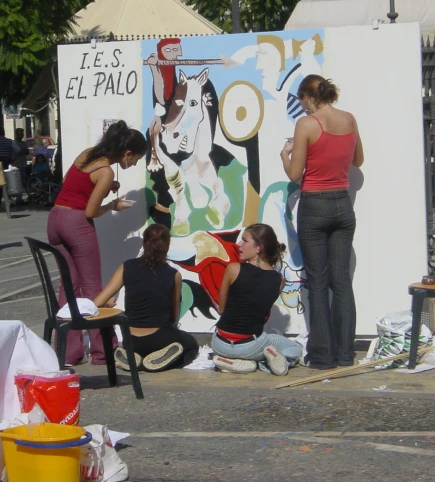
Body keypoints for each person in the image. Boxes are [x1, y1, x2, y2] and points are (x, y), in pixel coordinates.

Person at [47, 120, 147, 366]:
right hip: (76, 224)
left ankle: (69, 351)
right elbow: (90, 212)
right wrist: (112, 205)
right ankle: (104, 351)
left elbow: (76, 186)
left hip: (56, 219)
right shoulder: (106, 171)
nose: (133, 164)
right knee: (93, 288)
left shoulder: (87, 155)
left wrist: (105, 189)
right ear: (126, 152)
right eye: (134, 159)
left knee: (68, 287)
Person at [280, 75, 364, 369]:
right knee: (342, 281)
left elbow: (294, 174)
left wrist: (285, 155)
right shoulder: (349, 119)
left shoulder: (307, 124)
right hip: (343, 204)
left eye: (301, 100)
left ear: (307, 96)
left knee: (317, 282)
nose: (301, 107)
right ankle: (345, 354)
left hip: (314, 205)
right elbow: (359, 161)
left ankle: (322, 356)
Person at [93, 224, 199, 371]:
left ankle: (132, 357)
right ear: (167, 246)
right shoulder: (174, 275)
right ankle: (160, 363)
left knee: (138, 344)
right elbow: (174, 316)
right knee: (190, 345)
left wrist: (108, 305)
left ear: (144, 243)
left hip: (131, 339)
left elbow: (97, 302)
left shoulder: (126, 267)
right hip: (160, 338)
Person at [210, 223, 303, 376]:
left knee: (265, 340)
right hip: (250, 346)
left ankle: (236, 362)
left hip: (219, 343)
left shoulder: (233, 269)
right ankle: (262, 364)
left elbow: (221, 309)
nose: (239, 244)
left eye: (244, 240)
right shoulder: (279, 280)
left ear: (259, 247)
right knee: (295, 348)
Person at [0, 125, 17, 208]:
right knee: (9, 183)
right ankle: (11, 201)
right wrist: (13, 158)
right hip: (8, 162)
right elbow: (18, 150)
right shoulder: (10, 141)